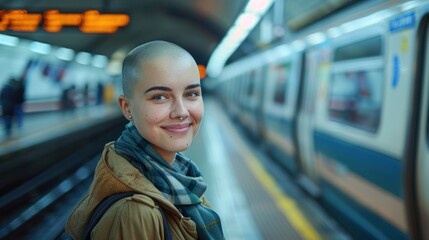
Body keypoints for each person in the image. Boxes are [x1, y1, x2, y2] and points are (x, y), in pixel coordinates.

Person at [65, 40, 225, 239]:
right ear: (127, 107)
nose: (181, 112)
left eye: (191, 93)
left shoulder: (182, 180)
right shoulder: (135, 214)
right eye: (160, 97)